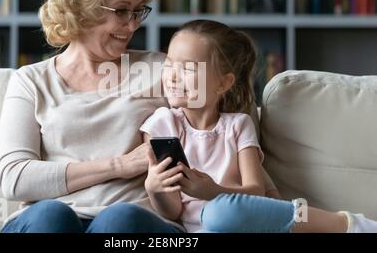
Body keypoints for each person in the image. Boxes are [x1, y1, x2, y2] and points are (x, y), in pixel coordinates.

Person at [0, 0, 184, 233]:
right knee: (50, 217)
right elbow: (15, 179)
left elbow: (218, 125)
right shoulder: (31, 81)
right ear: (80, 9)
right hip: (49, 223)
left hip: (136, 223)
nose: (133, 24)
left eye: (138, 11)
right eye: (121, 11)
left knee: (118, 220)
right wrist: (119, 165)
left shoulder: (162, 69)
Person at [141, 19, 377, 233]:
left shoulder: (237, 125)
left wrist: (212, 191)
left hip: (238, 220)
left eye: (189, 68)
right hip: (196, 231)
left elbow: (256, 192)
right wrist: (154, 188)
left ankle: (351, 225)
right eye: (169, 64)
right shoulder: (163, 124)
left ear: (223, 83)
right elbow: (172, 212)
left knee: (219, 212)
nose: (172, 76)